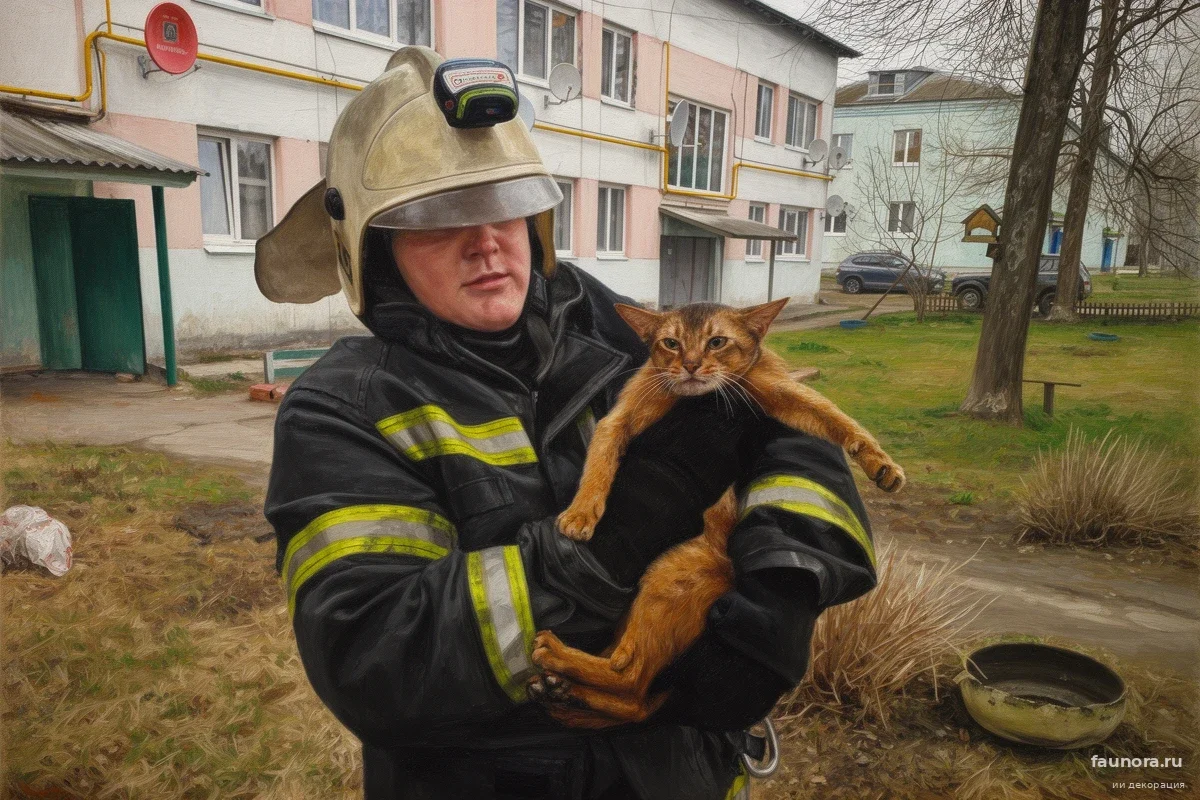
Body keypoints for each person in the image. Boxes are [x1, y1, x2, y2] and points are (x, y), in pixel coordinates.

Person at [256, 46, 877, 800]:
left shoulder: (611, 328)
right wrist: (601, 551)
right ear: (371, 247)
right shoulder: (344, 409)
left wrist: (786, 584)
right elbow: (374, 658)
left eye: (506, 205)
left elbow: (786, 424)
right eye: (438, 216)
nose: (486, 241)